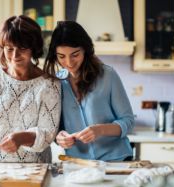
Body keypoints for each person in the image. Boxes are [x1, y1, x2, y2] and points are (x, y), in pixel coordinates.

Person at [0, 15, 61, 163]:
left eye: (22, 48)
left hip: (33, 171)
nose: (15, 55)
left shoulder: (50, 84)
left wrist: (21, 138)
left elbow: (48, 133)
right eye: (9, 48)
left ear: (33, 48)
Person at [44, 21, 134, 161]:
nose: (69, 62)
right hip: (78, 165)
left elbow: (128, 121)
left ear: (85, 49)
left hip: (117, 160)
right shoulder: (56, 83)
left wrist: (99, 130)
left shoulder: (108, 75)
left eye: (75, 54)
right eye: (61, 56)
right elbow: (57, 128)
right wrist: (60, 138)